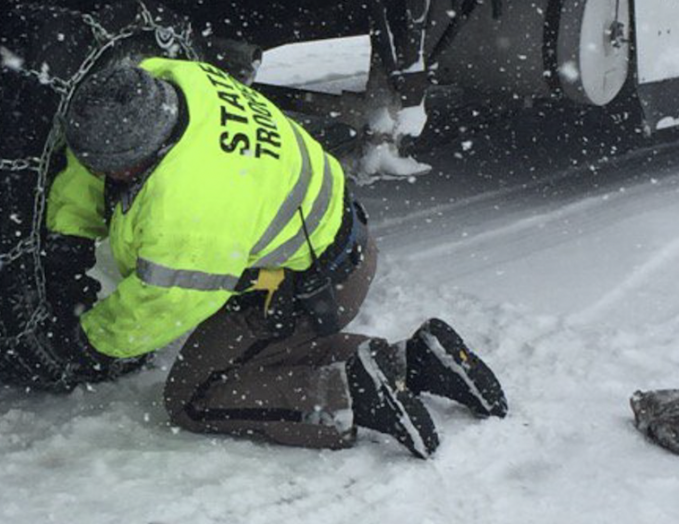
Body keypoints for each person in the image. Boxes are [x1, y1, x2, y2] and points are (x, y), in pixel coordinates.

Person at [46, 57, 507, 458]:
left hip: (306, 287)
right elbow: (91, 163)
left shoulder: (190, 207)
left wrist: (90, 341)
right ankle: (417, 361)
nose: (99, 173)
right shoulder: (166, 84)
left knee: (195, 395)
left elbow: (161, 304)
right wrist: (68, 239)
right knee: (264, 346)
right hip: (339, 245)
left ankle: (351, 393)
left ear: (139, 155)